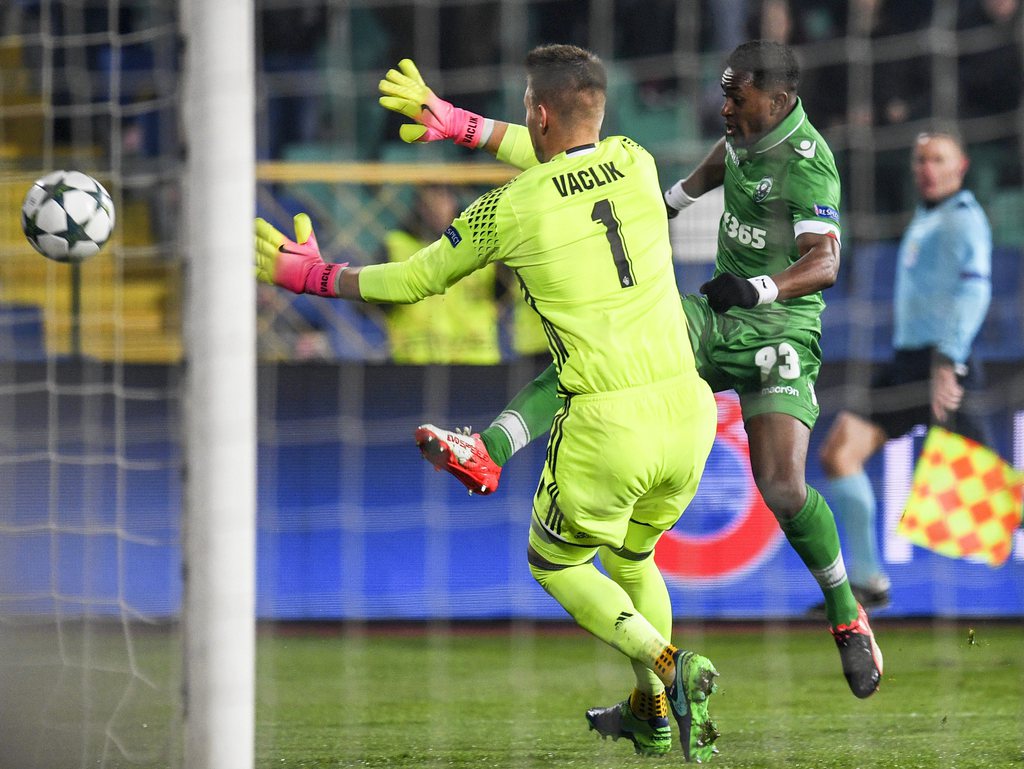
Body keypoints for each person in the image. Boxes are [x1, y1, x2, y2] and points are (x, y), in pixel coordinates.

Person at [380, 40, 884, 700]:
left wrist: (760, 289)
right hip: (716, 313)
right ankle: (488, 448)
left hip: (779, 325)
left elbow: (826, 264)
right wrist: (667, 200)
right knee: (601, 350)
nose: (724, 106)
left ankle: (847, 613)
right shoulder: (742, 133)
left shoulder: (809, 162)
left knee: (783, 487)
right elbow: (715, 162)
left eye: (737, 97)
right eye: (724, 93)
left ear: (779, 102)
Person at [260, 45, 723, 761]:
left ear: (537, 111)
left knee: (556, 564)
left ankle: (670, 666)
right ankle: (652, 715)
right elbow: (562, 159)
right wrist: (459, 123)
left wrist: (317, 275)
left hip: (608, 422)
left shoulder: (511, 206)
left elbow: (415, 279)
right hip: (691, 412)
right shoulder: (637, 161)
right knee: (636, 558)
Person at [816, 129, 993, 611]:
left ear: (961, 167)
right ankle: (869, 582)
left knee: (989, 507)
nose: (927, 169)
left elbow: (975, 293)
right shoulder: (928, 216)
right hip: (908, 364)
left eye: (938, 159)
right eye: (920, 160)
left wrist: (948, 362)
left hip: (942, 368)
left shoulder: (963, 222)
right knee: (839, 453)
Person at [382, 184, 500, 364]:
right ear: (419, 206)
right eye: (431, 200)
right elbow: (375, 304)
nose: (437, 206)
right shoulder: (396, 245)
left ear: (454, 202)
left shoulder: (483, 243)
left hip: (474, 359)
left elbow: (503, 292)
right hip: (414, 359)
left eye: (444, 198)